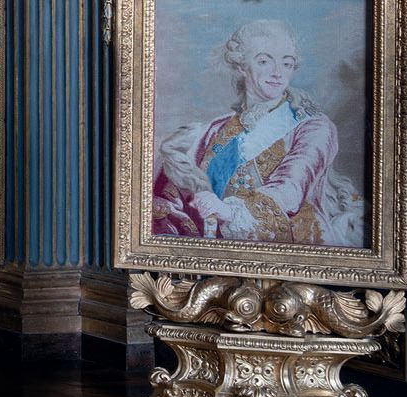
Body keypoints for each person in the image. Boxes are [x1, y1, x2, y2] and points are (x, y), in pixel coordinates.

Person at [151, 18, 362, 246]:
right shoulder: (215, 129)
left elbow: (290, 189)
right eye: (264, 61)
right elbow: (180, 191)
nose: (277, 73)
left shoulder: (315, 128)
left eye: (287, 63)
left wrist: (231, 213)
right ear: (241, 65)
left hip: (289, 248)